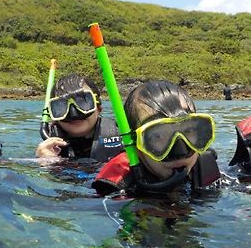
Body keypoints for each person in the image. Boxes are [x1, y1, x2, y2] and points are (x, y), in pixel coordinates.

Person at [92, 80, 221, 196]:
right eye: (158, 136)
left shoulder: (213, 175)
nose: (180, 151)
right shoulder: (115, 192)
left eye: (188, 130)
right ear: (133, 143)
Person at [36, 73, 122, 162]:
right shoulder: (49, 150)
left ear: (98, 107)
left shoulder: (125, 141)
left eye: (83, 103)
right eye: (62, 107)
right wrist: (47, 163)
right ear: (53, 116)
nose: (74, 114)